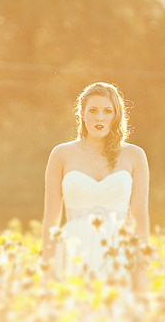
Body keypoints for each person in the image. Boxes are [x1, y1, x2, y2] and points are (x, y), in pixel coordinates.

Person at [40, 82, 150, 291]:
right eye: (93, 111)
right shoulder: (61, 154)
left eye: (107, 111)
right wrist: (48, 266)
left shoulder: (134, 155)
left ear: (116, 115)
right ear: (82, 113)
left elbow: (140, 217)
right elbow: (51, 219)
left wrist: (141, 269)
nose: (99, 118)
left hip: (118, 252)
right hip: (74, 251)